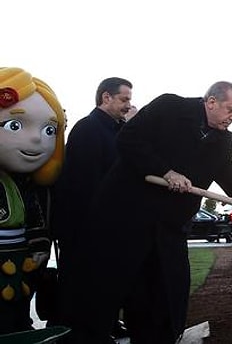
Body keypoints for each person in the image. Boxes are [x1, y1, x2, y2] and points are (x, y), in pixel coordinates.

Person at [62, 81, 232, 344]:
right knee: (103, 295)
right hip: (122, 222)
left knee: (164, 301)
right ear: (211, 102)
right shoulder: (169, 107)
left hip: (167, 231)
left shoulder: (222, 143)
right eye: (231, 110)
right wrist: (165, 171)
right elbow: (128, 139)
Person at [51, 77, 133, 336]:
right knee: (81, 286)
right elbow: (83, 186)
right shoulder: (87, 129)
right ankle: (78, 333)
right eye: (124, 99)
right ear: (105, 98)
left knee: (106, 283)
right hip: (84, 227)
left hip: (107, 226)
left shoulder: (117, 130)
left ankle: (104, 325)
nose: (128, 106)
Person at [0, 67, 66, 334]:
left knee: (16, 311)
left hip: (18, 262)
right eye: (15, 125)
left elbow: (34, 215)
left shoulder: (27, 185)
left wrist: (39, 244)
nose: (38, 138)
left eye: (50, 130)